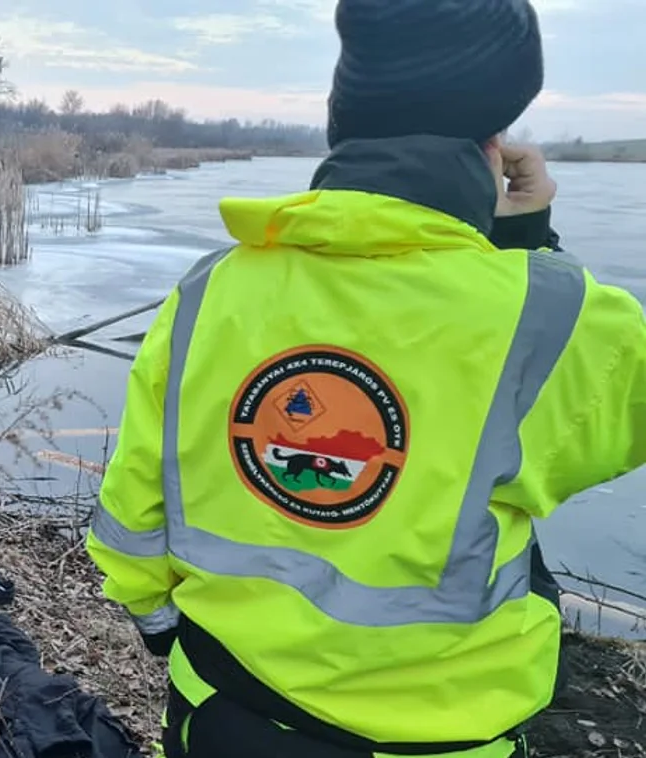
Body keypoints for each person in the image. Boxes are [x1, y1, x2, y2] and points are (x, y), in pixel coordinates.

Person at [84, 1, 646, 756]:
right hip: (437, 738)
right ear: (492, 143)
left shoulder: (209, 289)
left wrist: (160, 634)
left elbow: (134, 507)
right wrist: (522, 241)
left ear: (342, 121)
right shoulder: (563, 318)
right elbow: (584, 420)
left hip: (217, 710)